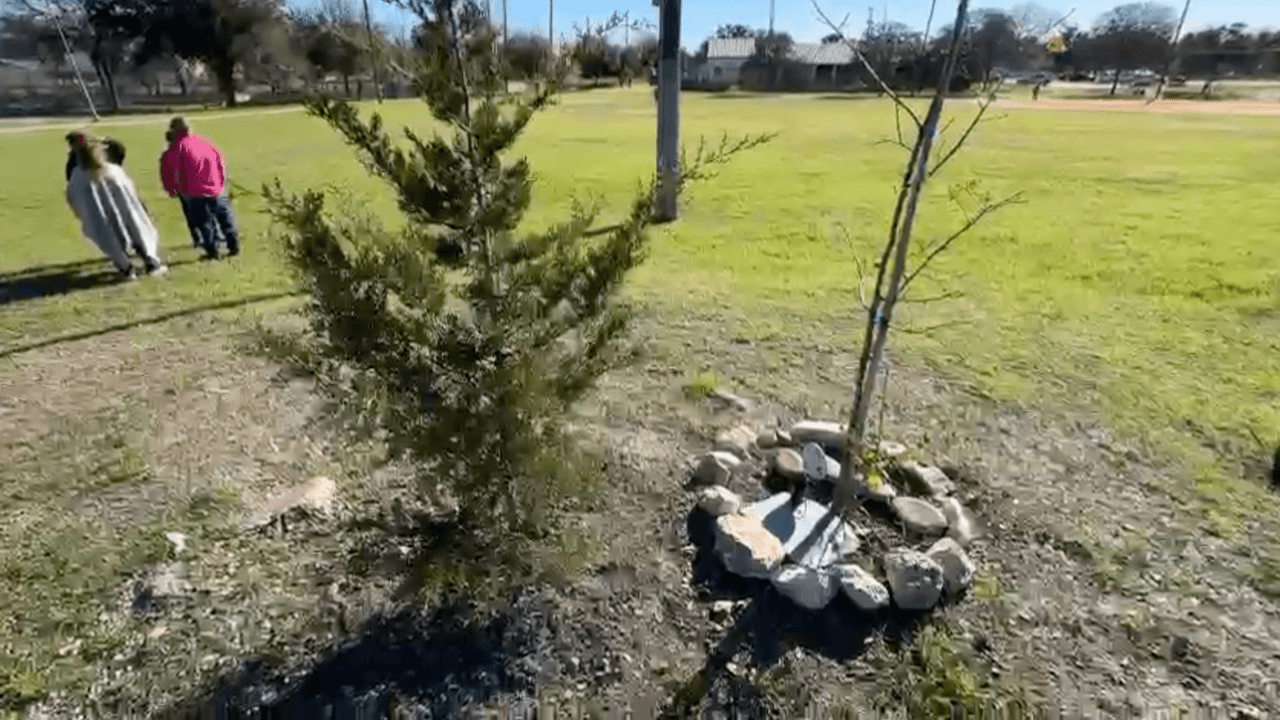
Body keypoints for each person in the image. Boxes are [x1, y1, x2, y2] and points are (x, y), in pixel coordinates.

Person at [64, 133, 167, 280]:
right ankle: (151, 261)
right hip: (126, 210)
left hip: (99, 215)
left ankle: (126, 267)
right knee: (137, 227)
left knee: (108, 235)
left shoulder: (77, 177)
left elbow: (73, 198)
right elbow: (130, 192)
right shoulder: (113, 170)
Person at [160, 116, 240, 260]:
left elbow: (175, 169)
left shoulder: (178, 147)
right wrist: (221, 181)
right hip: (216, 188)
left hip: (195, 191)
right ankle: (233, 245)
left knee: (204, 223)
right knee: (225, 218)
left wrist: (174, 189)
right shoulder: (205, 142)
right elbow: (219, 161)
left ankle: (212, 251)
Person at [160, 128, 208, 249]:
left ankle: (197, 238)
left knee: (189, 215)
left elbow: (165, 175)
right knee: (203, 213)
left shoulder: (167, 155)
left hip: (182, 190)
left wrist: (170, 189)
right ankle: (209, 235)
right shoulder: (186, 151)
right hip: (195, 187)